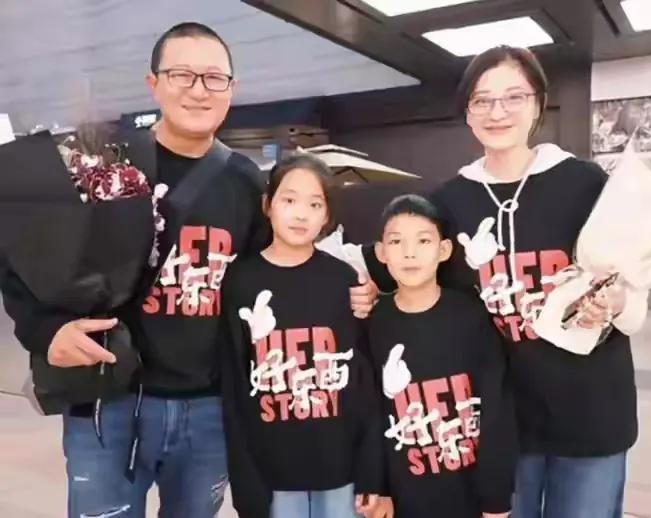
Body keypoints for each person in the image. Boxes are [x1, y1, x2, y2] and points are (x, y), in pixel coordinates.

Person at [1, 23, 376, 518]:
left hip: (210, 407)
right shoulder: (104, 164)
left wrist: (350, 294)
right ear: (153, 83)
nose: (199, 90)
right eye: (182, 74)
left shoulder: (246, 183)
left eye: (214, 78)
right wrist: (46, 331)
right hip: (108, 398)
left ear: (232, 89)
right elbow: (25, 255)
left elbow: (277, 275)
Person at [365, 46, 649, 518]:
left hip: (591, 411)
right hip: (499, 421)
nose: (497, 112)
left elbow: (631, 286)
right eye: (482, 100)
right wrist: (368, 289)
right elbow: (413, 277)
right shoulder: (449, 202)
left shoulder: (584, 183)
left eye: (514, 96)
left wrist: (615, 302)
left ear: (538, 103)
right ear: (467, 112)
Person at [221, 154, 381, 518]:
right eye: (289, 200)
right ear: (268, 205)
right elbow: (234, 385)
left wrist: (371, 471)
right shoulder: (240, 282)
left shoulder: (344, 280)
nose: (301, 214)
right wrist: (245, 481)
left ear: (327, 216)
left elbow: (364, 384)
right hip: (271, 471)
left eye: (315, 204)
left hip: (340, 469)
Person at [366, 194, 516, 518]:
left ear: (444, 249)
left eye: (423, 240)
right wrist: (378, 488)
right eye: (396, 241)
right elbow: (370, 416)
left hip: (468, 495)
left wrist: (496, 500)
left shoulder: (472, 316)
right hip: (403, 497)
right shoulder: (373, 323)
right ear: (381, 252)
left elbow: (496, 412)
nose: (409, 252)